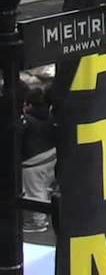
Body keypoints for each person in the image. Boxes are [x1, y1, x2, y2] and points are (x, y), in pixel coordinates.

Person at [19, 89, 56, 233]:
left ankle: (39, 222)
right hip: (53, 156)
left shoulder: (27, 121)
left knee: (35, 192)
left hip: (34, 163)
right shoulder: (51, 115)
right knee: (43, 186)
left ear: (28, 105)